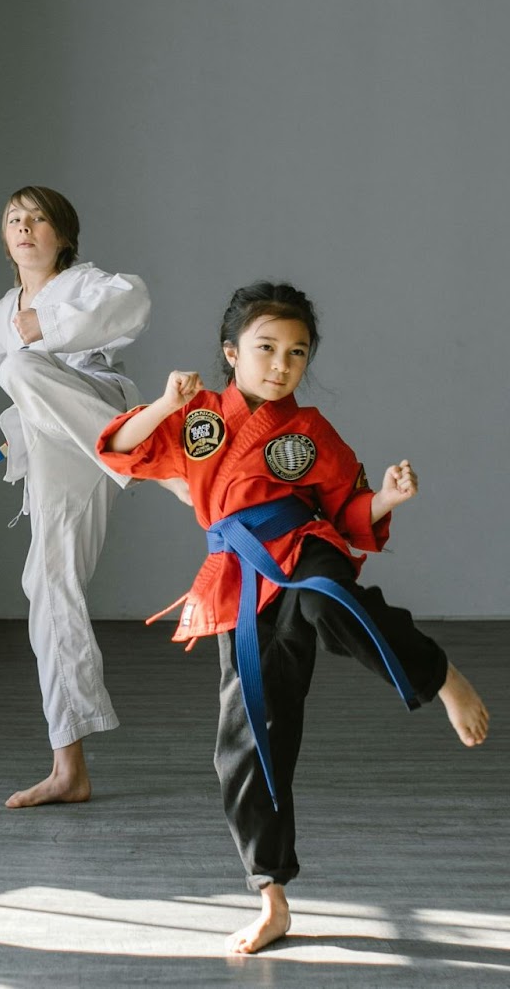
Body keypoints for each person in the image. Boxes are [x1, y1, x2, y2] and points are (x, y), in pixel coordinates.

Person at [98, 281, 489, 954]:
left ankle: (438, 674)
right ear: (231, 352)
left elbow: (348, 513)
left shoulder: (310, 432)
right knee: (252, 735)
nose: (281, 364)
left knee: (327, 599)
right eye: (266, 348)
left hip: (304, 544)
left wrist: (387, 499)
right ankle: (271, 894)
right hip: (238, 576)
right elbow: (118, 449)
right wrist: (166, 401)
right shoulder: (199, 419)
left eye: (297, 353)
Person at [0, 186, 160, 808]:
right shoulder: (8, 304)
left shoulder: (82, 282)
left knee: (21, 368)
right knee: (48, 587)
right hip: (52, 438)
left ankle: (141, 456)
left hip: (98, 411)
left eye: (38, 219)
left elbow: (132, 301)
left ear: (62, 234)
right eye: (14, 219)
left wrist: (51, 325)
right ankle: (69, 763)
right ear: (4, 238)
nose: (25, 227)